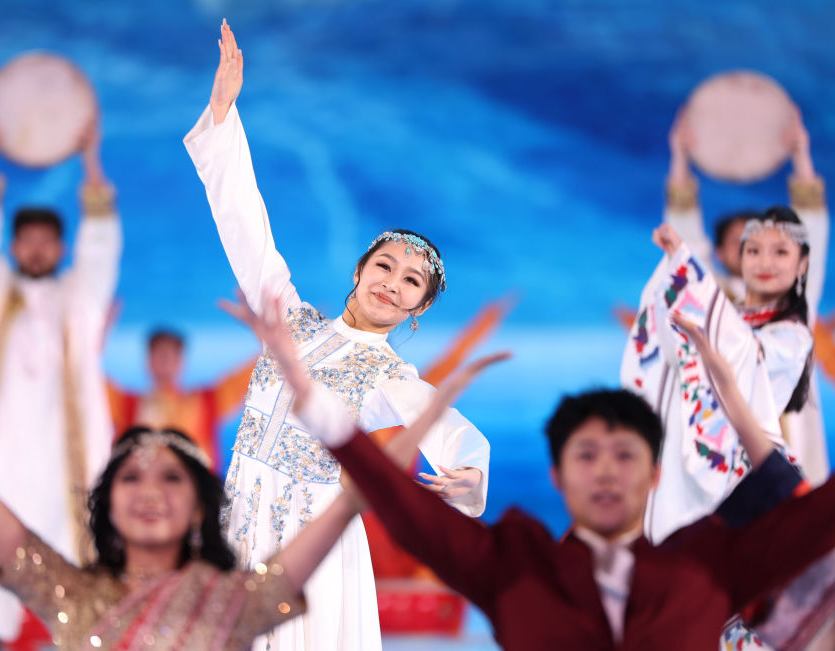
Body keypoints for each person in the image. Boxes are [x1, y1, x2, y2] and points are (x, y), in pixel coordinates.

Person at [0, 280, 491, 651]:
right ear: (107, 500)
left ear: (198, 500)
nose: (151, 491)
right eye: (131, 476)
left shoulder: (232, 602)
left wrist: (301, 371)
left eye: (171, 478)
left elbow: (349, 495)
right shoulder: (76, 592)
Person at [239, 289, 835, 650]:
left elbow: (818, 514)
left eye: (625, 455)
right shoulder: (516, 569)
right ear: (558, 477)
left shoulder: (707, 566)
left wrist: (729, 387)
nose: (606, 472)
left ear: (654, 475)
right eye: (587, 455)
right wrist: (311, 400)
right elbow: (405, 507)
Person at [184, 20, 491, 650]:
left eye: (410, 282)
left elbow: (446, 425)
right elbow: (247, 226)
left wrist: (472, 476)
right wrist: (222, 114)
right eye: (385, 266)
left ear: (417, 310)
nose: (392, 283)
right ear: (359, 270)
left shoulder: (389, 376)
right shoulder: (289, 318)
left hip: (312, 541)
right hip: (238, 520)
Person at [0, 112, 123, 647]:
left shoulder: (79, 298)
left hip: (63, 471)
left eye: (46, 242)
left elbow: (102, 246)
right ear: (13, 248)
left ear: (61, 249)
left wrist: (90, 158)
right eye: (27, 241)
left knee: (72, 590)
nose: (36, 250)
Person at [621, 213, 813, 544]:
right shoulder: (722, 316)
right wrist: (676, 266)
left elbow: (742, 354)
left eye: (780, 252)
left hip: (747, 467)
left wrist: (685, 264)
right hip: (684, 458)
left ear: (802, 264)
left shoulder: (792, 336)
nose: (764, 262)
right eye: (753, 251)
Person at [665, 110, 829, 484]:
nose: (761, 258)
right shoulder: (712, 299)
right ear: (720, 254)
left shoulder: (797, 300)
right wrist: (680, 157)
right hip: (724, 455)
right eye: (746, 247)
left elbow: (813, 233)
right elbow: (685, 243)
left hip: (791, 451)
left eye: (775, 249)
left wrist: (801, 155)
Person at [107, 328, 256, 468]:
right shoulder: (127, 404)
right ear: (148, 361)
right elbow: (94, 384)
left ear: (181, 361)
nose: (165, 363)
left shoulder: (206, 402)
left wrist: (268, 344)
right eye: (160, 356)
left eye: (170, 357)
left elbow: (251, 376)